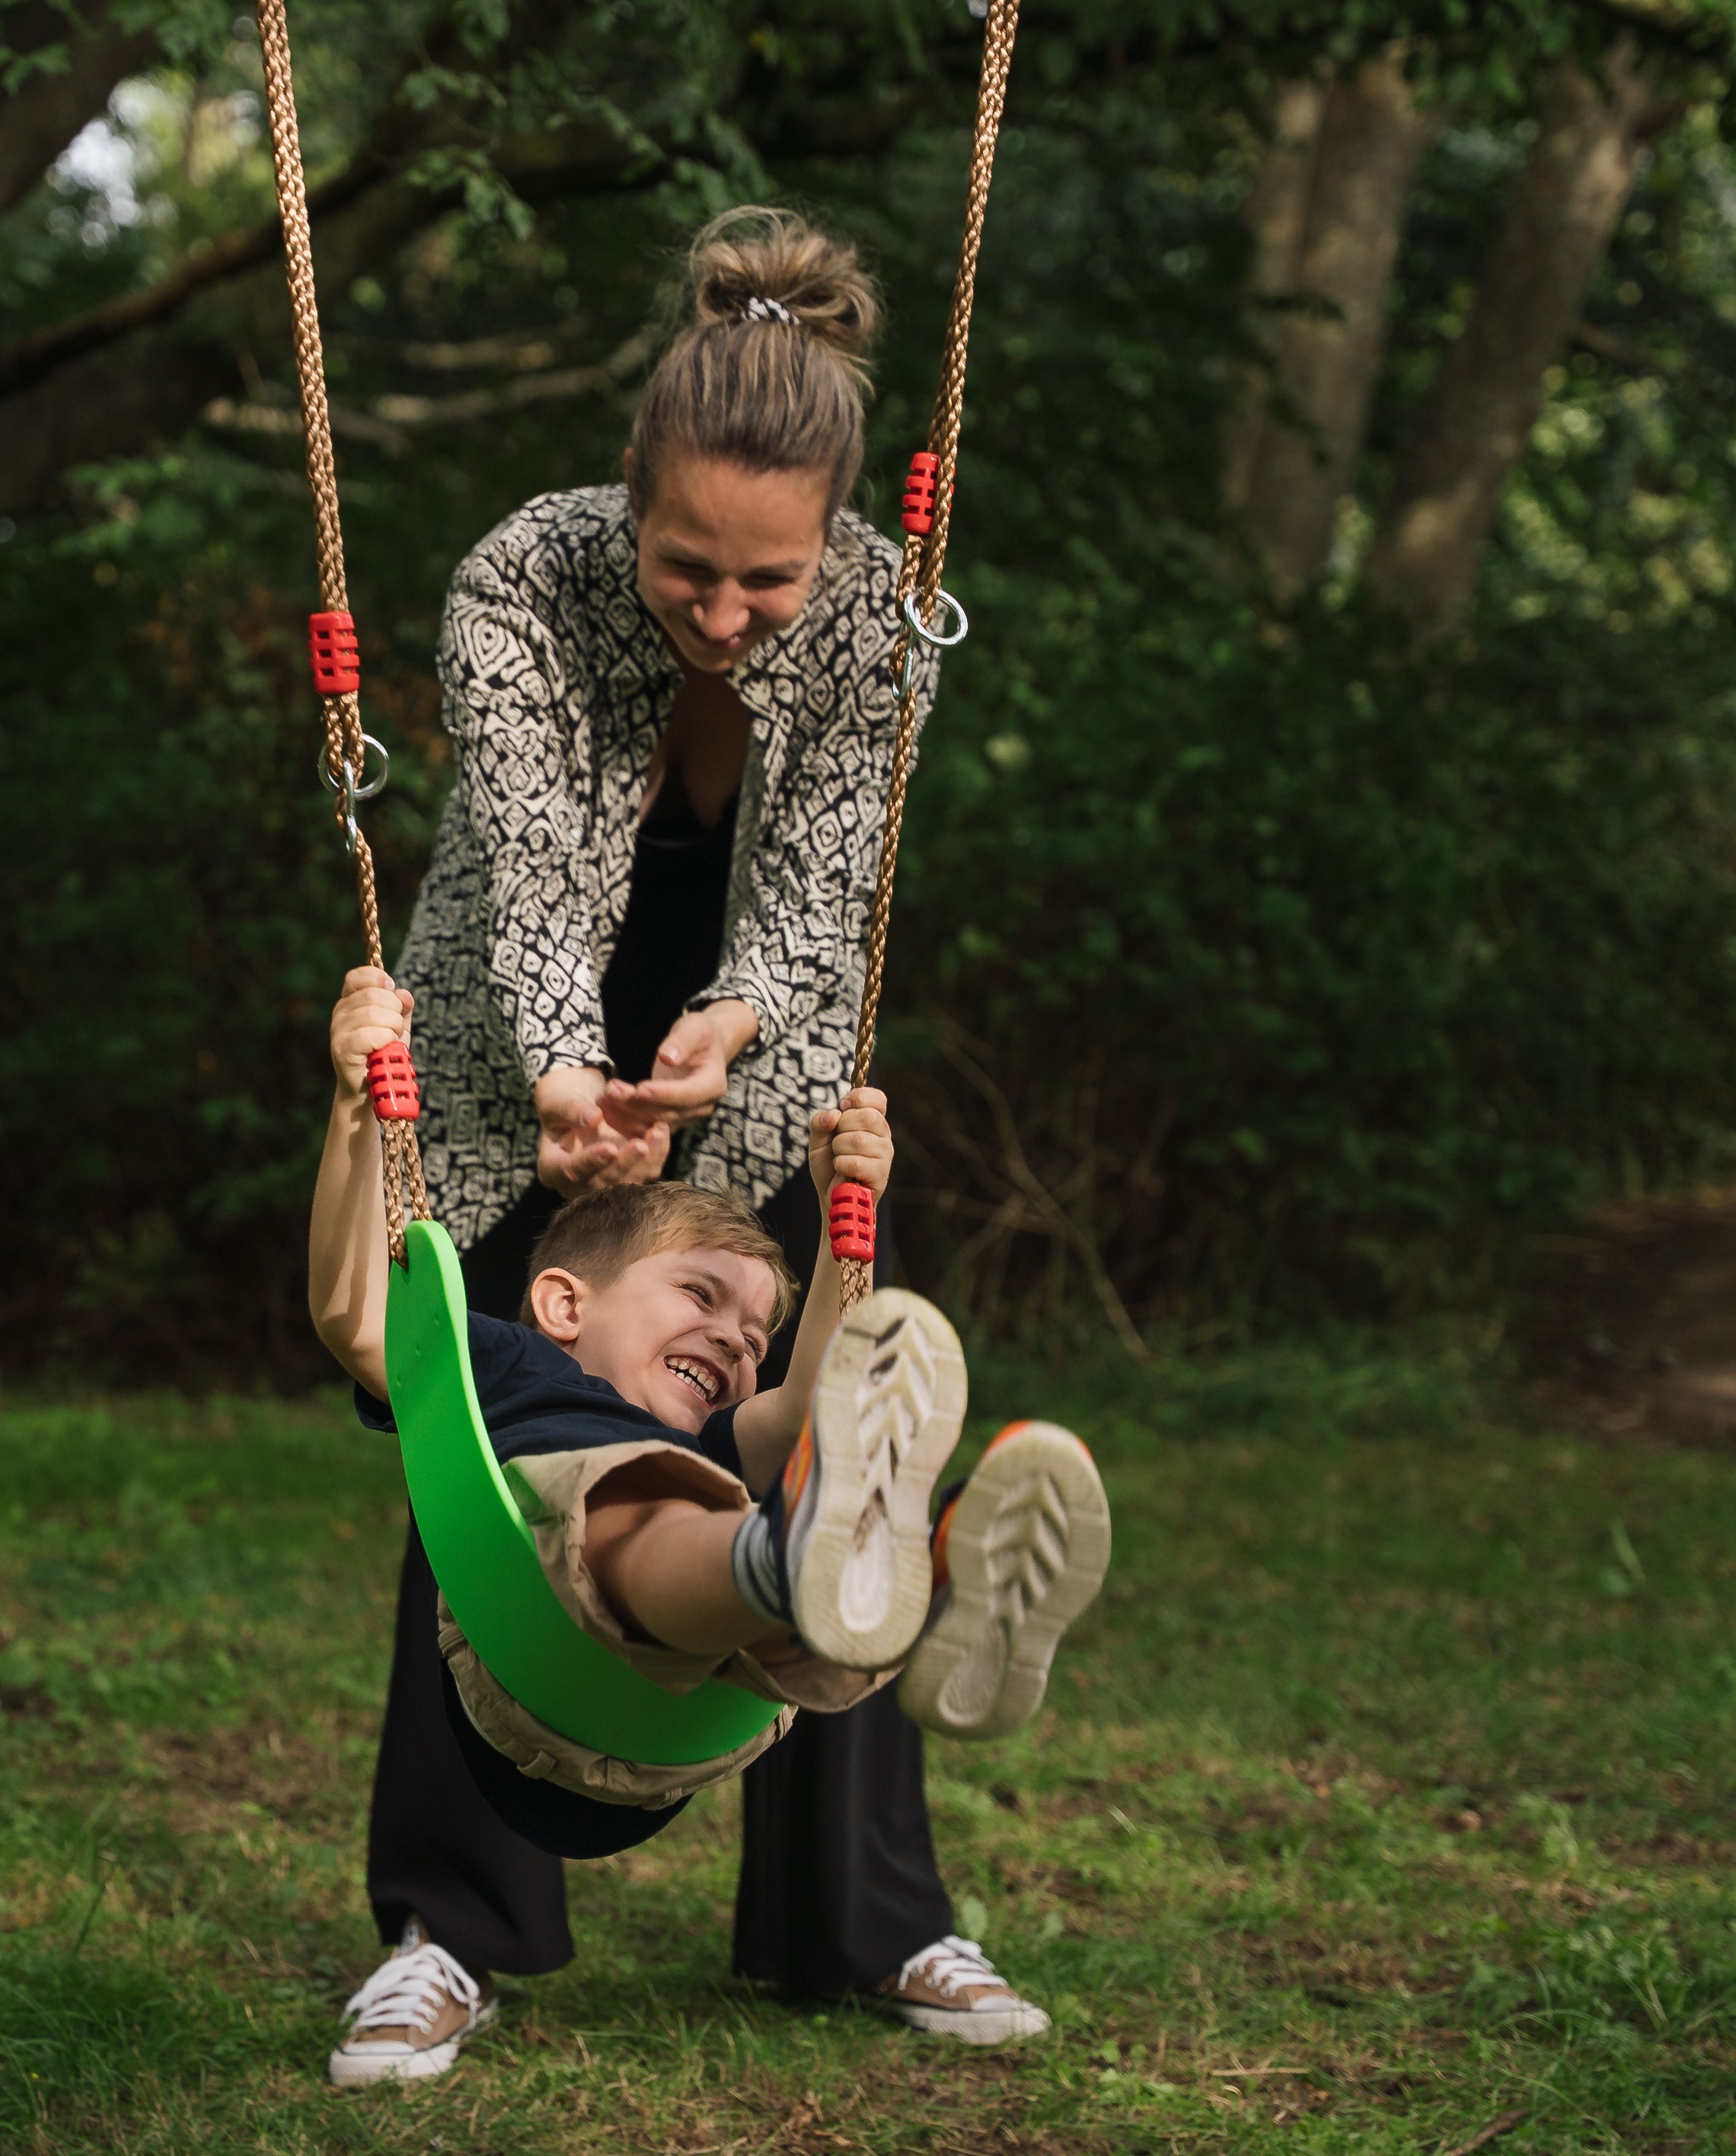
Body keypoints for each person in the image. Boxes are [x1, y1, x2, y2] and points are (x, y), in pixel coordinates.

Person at [327, 203, 1064, 2087]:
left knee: (827, 1439)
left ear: (829, 542)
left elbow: (823, 892)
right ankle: (449, 1929)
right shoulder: (524, 579)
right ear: (625, 503)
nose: (724, 617)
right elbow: (535, 869)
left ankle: (866, 1917)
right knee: (489, 1434)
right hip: (518, 1057)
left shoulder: (879, 620)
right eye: (684, 571)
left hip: (762, 1060)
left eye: (768, 586)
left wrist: (730, 1030)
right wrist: (576, 1075)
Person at [311, 968, 1111, 2084]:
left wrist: (848, 1223)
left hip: (694, 1714)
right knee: (639, 1505)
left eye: (751, 1333)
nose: (736, 1345)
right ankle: (812, 1564)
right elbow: (356, 1315)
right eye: (700, 1299)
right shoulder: (510, 1365)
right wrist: (357, 1108)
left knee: (778, 1489)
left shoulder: (714, 1436)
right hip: (531, 1646)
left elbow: (821, 1399)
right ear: (564, 1304)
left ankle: (918, 1578)